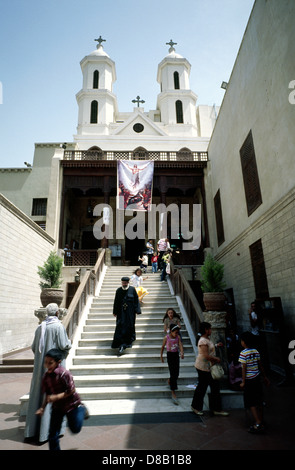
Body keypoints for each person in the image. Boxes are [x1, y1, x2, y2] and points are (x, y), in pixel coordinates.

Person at [24, 303, 72, 443]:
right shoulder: (58, 327)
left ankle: (34, 431)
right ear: (57, 313)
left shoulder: (40, 327)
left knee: (39, 395)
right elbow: (64, 345)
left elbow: (34, 348)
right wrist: (69, 343)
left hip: (41, 367)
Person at [36, 348, 88, 450]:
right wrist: (42, 408)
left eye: (50, 363)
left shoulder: (65, 374)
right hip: (57, 407)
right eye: (46, 362)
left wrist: (56, 396)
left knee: (75, 429)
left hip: (72, 405)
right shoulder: (46, 377)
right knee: (53, 434)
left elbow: (71, 390)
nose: (47, 365)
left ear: (58, 362)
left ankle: (83, 409)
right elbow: (48, 394)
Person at [191, 322, 229, 417]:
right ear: (205, 330)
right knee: (202, 387)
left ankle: (216, 409)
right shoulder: (202, 341)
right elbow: (205, 355)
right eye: (210, 329)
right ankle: (196, 407)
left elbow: (208, 349)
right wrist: (216, 359)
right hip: (203, 367)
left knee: (215, 387)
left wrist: (216, 346)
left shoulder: (206, 339)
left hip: (208, 367)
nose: (211, 331)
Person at [239, 331, 270, 433]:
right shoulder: (256, 351)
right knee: (259, 400)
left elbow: (244, 368)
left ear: (244, 342)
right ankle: (261, 420)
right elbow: (260, 365)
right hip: (257, 379)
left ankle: (257, 423)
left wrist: (243, 381)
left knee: (251, 402)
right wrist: (265, 377)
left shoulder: (243, 353)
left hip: (249, 380)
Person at [111, 276, 141, 355]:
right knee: (120, 325)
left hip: (130, 312)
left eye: (125, 283)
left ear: (128, 282)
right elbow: (116, 302)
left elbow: (136, 300)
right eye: (123, 283)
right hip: (121, 312)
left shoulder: (132, 289)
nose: (124, 284)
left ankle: (129, 341)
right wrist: (115, 311)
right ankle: (119, 343)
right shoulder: (118, 290)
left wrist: (137, 310)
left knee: (130, 325)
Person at [160, 324, 184, 405]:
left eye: (178, 333)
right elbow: (163, 347)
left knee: (176, 373)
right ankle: (173, 392)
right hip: (170, 355)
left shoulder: (178, 337)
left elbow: (180, 344)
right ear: (171, 331)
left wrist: (182, 352)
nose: (176, 334)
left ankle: (170, 380)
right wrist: (161, 357)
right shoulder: (166, 337)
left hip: (176, 355)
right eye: (175, 332)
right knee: (172, 372)